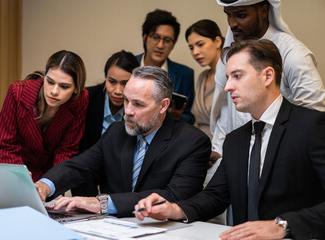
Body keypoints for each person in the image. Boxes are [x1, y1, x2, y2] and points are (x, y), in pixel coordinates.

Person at [134, 39, 325, 240]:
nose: (227, 87)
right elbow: (215, 196)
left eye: (237, 76)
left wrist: (283, 226)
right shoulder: (235, 139)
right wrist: (173, 209)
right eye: (227, 77)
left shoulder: (311, 126)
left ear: (268, 75)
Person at [35, 66, 210, 217]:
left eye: (138, 104)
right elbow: (79, 166)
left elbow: (175, 195)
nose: (128, 111)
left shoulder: (193, 142)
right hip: (114, 229)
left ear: (163, 105)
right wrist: (45, 185)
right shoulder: (116, 132)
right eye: (126, 100)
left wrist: (102, 203)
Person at [211, 0, 325, 160]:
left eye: (241, 15)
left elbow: (313, 113)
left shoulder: (293, 54)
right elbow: (225, 110)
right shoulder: (232, 53)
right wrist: (220, 150)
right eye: (228, 15)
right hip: (240, 156)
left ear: (264, 11)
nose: (232, 23)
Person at [0, 50, 89, 182]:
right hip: (12, 169)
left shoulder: (80, 100)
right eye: (50, 82)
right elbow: (6, 145)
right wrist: (20, 176)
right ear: (44, 78)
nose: (54, 91)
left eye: (64, 86)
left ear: (76, 89)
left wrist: (53, 183)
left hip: (48, 175)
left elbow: (66, 150)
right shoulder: (17, 92)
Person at [72, 50, 139, 196]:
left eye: (125, 84)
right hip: (86, 166)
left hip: (118, 169)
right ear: (105, 78)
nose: (117, 91)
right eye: (112, 82)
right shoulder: (87, 99)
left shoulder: (138, 107)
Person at [136, 9, 195, 124]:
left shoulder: (185, 74)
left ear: (174, 43)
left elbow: (190, 117)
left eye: (167, 40)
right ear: (145, 37)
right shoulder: (128, 66)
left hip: (169, 137)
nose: (160, 45)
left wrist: (176, 117)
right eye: (156, 37)